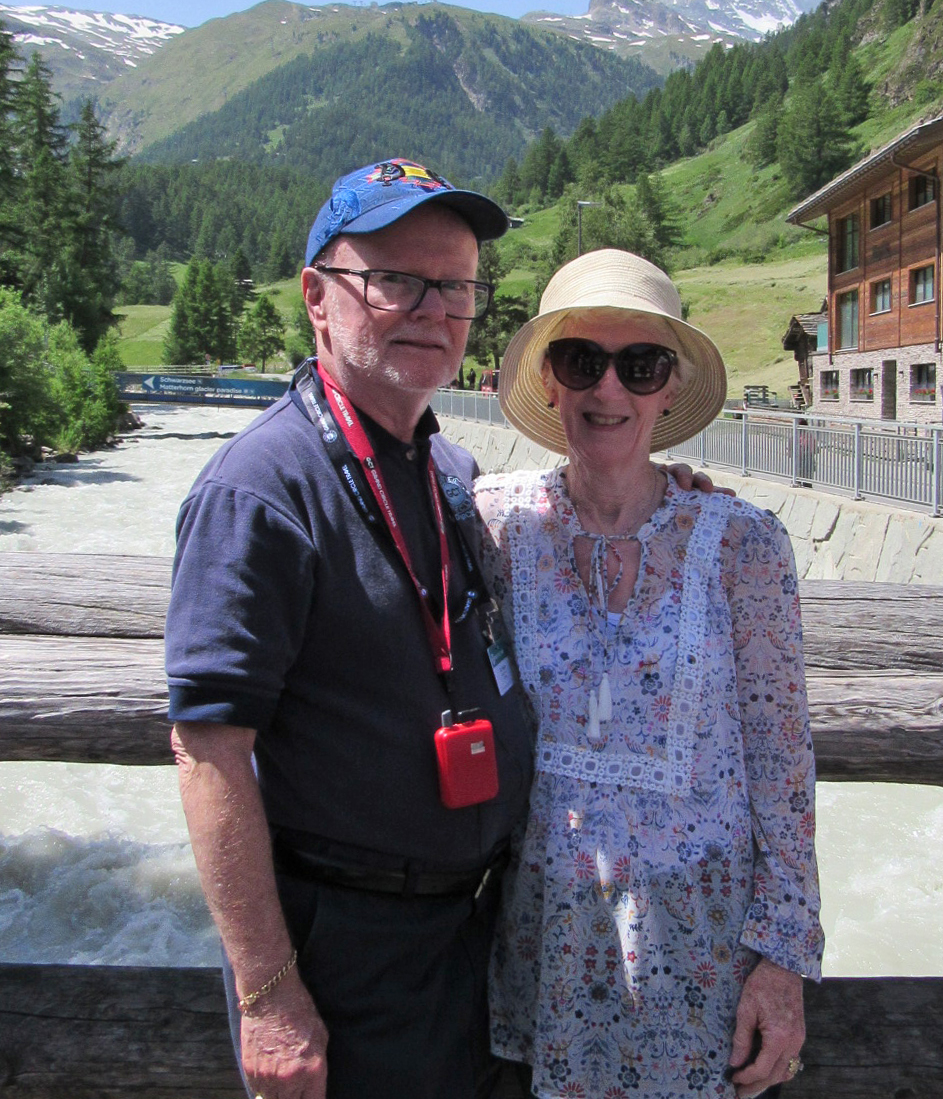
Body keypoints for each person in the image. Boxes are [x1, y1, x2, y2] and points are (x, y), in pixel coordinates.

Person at [165, 160, 714, 1099]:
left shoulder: (456, 474)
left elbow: (583, 504)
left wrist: (673, 494)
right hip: (347, 948)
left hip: (478, 935)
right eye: (396, 281)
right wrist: (266, 994)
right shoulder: (261, 492)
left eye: (455, 285)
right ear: (317, 298)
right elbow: (208, 747)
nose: (433, 308)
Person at [472, 249, 823, 1099]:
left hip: (699, 960)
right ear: (549, 383)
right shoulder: (492, 528)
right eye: (581, 360)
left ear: (670, 389)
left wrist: (782, 960)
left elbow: (784, 766)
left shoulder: (744, 543)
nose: (609, 391)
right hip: (542, 948)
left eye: (641, 365)